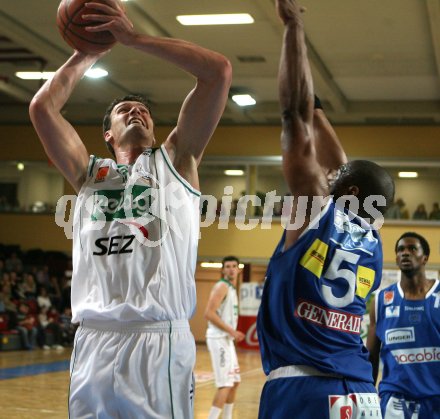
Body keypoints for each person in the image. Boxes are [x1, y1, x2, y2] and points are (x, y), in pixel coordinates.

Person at [29, 0, 232, 417]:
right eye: (125, 110)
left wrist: (132, 38)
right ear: (108, 133)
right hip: (93, 341)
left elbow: (218, 72)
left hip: (157, 338)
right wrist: (87, 51)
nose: (136, 111)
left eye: (143, 110)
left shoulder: (176, 160)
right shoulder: (88, 175)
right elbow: (42, 109)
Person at [256, 1, 395, 418]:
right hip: (361, 393)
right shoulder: (373, 238)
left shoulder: (315, 213)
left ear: (345, 190)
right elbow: (343, 166)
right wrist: (318, 109)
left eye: (334, 181)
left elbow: (292, 115)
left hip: (304, 387)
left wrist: (293, 28)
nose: (326, 177)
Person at [367, 232, 440, 418]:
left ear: (425, 258)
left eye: (412, 249)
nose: (405, 253)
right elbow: (371, 357)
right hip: (395, 401)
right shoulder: (381, 300)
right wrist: (367, 396)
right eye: (400, 249)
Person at [204, 256, 245, 419]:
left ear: (238, 269)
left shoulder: (232, 288)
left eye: (234, 266)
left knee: (234, 382)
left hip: (226, 340)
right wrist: (232, 331)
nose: (231, 269)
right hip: (218, 338)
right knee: (225, 384)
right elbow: (208, 313)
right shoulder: (222, 286)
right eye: (227, 266)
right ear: (222, 270)